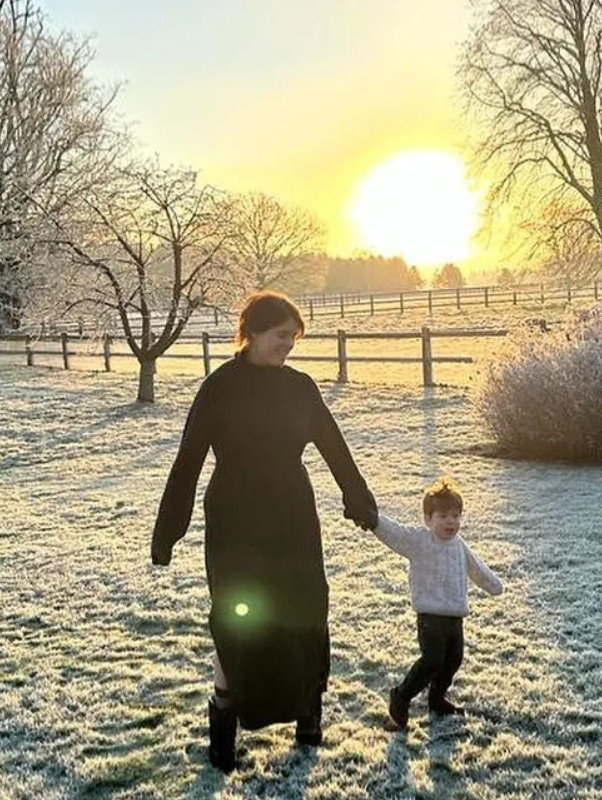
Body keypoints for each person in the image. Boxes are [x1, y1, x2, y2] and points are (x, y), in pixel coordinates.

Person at [151, 291, 377, 773]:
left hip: (293, 518)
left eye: (293, 339)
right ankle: (224, 730)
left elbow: (334, 447)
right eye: (281, 336)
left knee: (304, 610)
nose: (288, 347)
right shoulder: (219, 388)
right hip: (235, 520)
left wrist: (358, 497)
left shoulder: (301, 387)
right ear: (251, 332)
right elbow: (188, 461)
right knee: (237, 619)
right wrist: (169, 529)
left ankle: (308, 716)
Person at [366, 477, 503, 729]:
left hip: (455, 617)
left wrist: (495, 586)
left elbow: (477, 569)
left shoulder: (460, 545)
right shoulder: (421, 542)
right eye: (443, 516)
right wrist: (373, 520)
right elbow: (395, 533)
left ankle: (437, 698)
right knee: (431, 661)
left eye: (455, 515)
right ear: (428, 519)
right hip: (430, 617)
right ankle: (401, 696)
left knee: (453, 660)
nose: (451, 521)